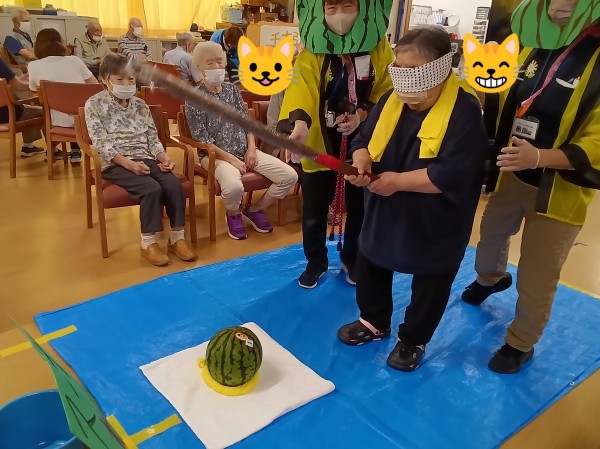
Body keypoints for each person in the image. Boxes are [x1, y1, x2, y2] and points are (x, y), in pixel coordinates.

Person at [337, 26, 488, 372]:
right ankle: (373, 321)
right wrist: (361, 159)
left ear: (440, 68)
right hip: (385, 205)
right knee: (372, 259)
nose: (405, 80)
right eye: (399, 69)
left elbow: (454, 173)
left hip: (436, 214)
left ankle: (413, 339)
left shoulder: (464, 110)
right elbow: (363, 139)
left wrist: (398, 182)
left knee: (431, 278)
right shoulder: (392, 99)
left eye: (414, 70)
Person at [462, 0, 600, 374]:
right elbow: (503, 90)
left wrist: (539, 157)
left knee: (538, 273)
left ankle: (520, 342)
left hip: (559, 189)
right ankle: (491, 279)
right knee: (490, 234)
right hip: (512, 172)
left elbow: (597, 142)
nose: (561, 5)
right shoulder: (531, 42)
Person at [278, 0, 394, 288]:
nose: (340, 16)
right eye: (331, 8)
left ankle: (352, 259)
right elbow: (300, 88)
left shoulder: (379, 49)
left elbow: (388, 89)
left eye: (348, 6)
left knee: (360, 207)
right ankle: (315, 262)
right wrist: (300, 125)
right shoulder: (311, 52)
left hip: (363, 143)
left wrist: (362, 114)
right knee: (314, 208)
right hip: (319, 142)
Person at [85, 53, 196, 266]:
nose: (126, 84)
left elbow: (152, 138)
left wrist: (163, 157)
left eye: (131, 79)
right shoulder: (94, 104)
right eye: (119, 79)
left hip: (145, 158)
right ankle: (148, 243)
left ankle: (177, 238)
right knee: (150, 188)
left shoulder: (140, 105)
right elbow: (100, 142)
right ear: (105, 79)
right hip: (115, 162)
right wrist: (129, 164)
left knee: (173, 185)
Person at [185, 42, 298, 240]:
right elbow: (202, 139)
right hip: (215, 156)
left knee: (289, 176)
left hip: (245, 150)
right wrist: (233, 160)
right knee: (234, 187)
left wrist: (252, 150)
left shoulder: (232, 90)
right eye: (210, 63)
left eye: (219, 61)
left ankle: (254, 209)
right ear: (199, 66)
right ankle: (233, 213)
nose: (216, 67)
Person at [27, 28, 99, 164]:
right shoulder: (75, 61)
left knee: (45, 109)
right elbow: (95, 87)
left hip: (55, 121)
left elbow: (35, 93)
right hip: (83, 119)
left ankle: (51, 149)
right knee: (76, 105)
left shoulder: (33, 66)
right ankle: (76, 150)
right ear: (61, 43)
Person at [0, 59, 44, 156]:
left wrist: (18, 80)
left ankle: (29, 147)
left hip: (5, 113)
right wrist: (35, 84)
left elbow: (5, 85)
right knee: (45, 112)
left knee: (28, 109)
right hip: (9, 114)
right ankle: (53, 151)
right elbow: (19, 86)